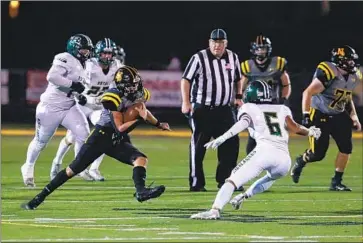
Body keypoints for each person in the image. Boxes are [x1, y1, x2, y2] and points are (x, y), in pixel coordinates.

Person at [21, 66, 170, 210]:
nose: (134, 87)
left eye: (136, 83)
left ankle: (141, 191)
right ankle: (38, 198)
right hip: (101, 137)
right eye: (131, 85)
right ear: (122, 85)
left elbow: (143, 110)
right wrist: (139, 119)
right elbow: (120, 128)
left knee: (140, 159)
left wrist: (158, 124)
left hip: (115, 139)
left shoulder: (139, 95)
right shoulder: (113, 96)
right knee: (72, 170)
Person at [190, 80, 322, 219]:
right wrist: (310, 131)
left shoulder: (249, 107)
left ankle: (215, 210)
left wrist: (222, 138)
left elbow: (242, 123)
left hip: (264, 152)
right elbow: (296, 128)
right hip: (284, 161)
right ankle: (245, 195)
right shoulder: (281, 108)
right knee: (270, 178)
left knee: (231, 180)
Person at [20, 34, 94, 187]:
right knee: (41, 142)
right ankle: (28, 166)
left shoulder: (86, 64)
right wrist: (73, 85)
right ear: (74, 49)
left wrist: (79, 95)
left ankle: (78, 167)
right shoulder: (65, 57)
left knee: (84, 134)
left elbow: (81, 86)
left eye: (88, 50)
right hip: (50, 107)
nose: (86, 53)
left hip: (69, 106)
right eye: (83, 50)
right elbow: (52, 76)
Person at [50, 38, 124, 181]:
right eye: (104, 54)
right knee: (71, 137)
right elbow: (76, 82)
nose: (107, 57)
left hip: (99, 107)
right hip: (83, 104)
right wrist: (78, 95)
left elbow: (117, 87)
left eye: (109, 54)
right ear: (97, 53)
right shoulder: (89, 65)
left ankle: (93, 169)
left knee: (106, 133)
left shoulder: (116, 66)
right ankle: (57, 162)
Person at [291, 45, 362, 191]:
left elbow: (346, 97)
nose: (352, 64)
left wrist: (354, 116)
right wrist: (306, 115)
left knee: (346, 148)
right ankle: (301, 160)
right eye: (349, 61)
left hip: (339, 114)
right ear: (340, 61)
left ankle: (336, 181)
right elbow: (308, 92)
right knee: (318, 154)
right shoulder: (328, 71)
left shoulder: (354, 76)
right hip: (320, 113)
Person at [181, 28, 243, 192]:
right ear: (209, 43)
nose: (217, 45)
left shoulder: (233, 57)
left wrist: (238, 96)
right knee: (198, 145)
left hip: (224, 110)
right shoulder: (199, 58)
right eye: (214, 42)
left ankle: (225, 180)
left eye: (221, 42)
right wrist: (186, 102)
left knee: (231, 144)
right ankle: (196, 182)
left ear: (226, 44)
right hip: (203, 109)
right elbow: (186, 80)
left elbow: (238, 78)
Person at [240, 34, 291, 155]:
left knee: (275, 135)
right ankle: (252, 162)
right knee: (254, 136)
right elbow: (241, 87)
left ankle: (274, 160)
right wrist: (241, 101)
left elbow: (286, 84)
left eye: (263, 48)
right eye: (258, 48)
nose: (261, 51)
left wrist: (283, 99)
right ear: (253, 50)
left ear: (268, 49)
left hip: (272, 104)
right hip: (255, 105)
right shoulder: (247, 66)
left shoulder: (278, 63)